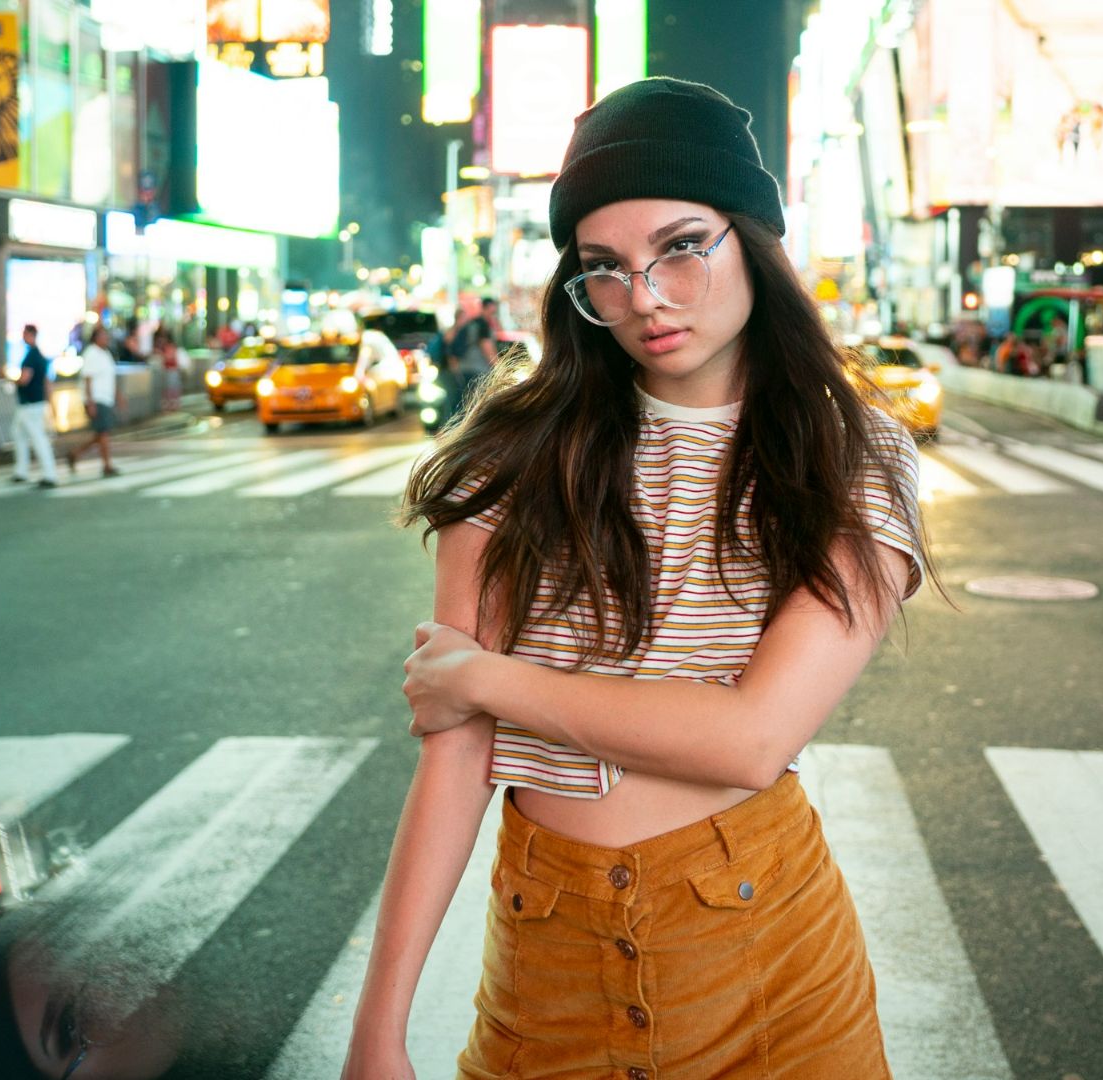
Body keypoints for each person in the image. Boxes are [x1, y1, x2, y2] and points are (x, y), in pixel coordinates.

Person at [345, 77, 930, 1080]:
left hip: (772, 947)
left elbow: (751, 740)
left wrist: (487, 678)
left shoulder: (849, 452)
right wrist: (377, 1029)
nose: (645, 297)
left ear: (753, 238)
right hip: (550, 942)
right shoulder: (514, 453)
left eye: (682, 246)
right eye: (603, 267)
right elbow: (455, 754)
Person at [8, 324, 59, 488]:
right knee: (19, 434)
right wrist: (51, 404)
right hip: (33, 402)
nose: (23, 336)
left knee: (37, 437)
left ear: (30, 334)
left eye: (24, 333)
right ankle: (21, 471)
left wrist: (7, 377)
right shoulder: (39, 356)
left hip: (30, 403)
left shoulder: (31, 357)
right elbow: (47, 382)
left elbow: (24, 380)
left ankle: (49, 474)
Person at [66, 325, 120, 477]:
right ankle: (107, 465)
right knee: (103, 432)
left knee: (101, 434)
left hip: (106, 398)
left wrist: (118, 396)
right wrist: (90, 402)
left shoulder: (106, 353)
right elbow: (88, 379)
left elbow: (109, 377)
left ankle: (75, 454)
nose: (106, 338)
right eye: (103, 335)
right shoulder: (91, 354)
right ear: (96, 337)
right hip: (97, 399)